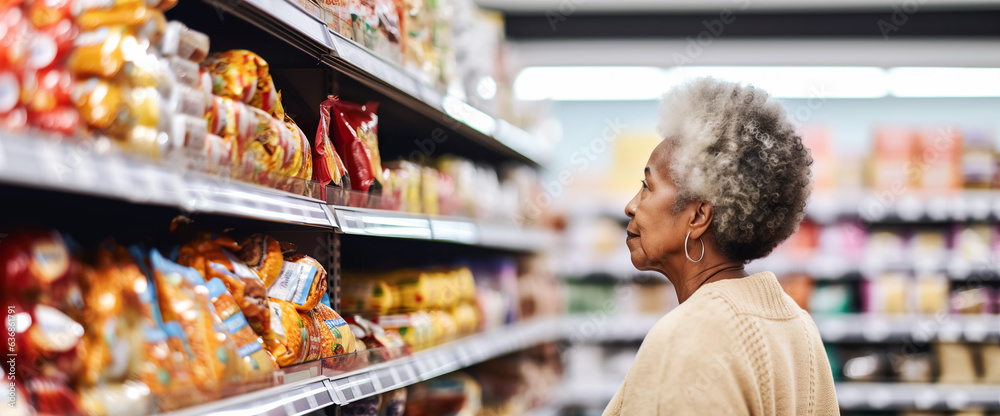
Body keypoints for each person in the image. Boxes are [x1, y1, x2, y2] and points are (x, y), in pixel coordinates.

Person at [603, 77, 838, 415]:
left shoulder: (689, 337)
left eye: (647, 186)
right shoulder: (799, 327)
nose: (631, 205)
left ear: (698, 216)